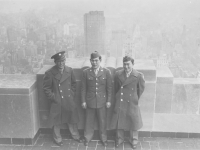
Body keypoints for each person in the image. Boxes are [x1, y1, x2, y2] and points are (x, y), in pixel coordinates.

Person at [43, 51, 83, 146]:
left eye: (63, 61)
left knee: (72, 119)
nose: (61, 63)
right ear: (55, 62)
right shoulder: (50, 73)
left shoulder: (70, 70)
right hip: (57, 101)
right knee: (56, 121)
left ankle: (75, 136)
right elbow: (46, 88)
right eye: (59, 61)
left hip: (68, 99)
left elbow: (74, 84)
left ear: (65, 61)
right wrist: (54, 98)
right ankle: (57, 138)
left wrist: (71, 94)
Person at [110, 56, 145, 149]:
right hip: (121, 101)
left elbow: (140, 89)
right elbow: (116, 88)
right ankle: (119, 139)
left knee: (133, 121)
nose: (126, 67)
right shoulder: (118, 74)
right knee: (119, 120)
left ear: (133, 64)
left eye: (128, 64)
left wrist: (135, 98)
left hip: (132, 102)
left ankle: (134, 140)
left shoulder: (138, 75)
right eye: (124, 64)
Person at [81, 51, 112, 147]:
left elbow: (109, 88)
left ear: (100, 60)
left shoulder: (106, 72)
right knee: (88, 121)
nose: (94, 63)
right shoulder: (86, 72)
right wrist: (83, 101)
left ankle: (104, 139)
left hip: (102, 101)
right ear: (90, 61)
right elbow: (83, 88)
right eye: (92, 61)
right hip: (90, 101)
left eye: (96, 60)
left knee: (102, 121)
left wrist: (108, 100)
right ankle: (87, 138)